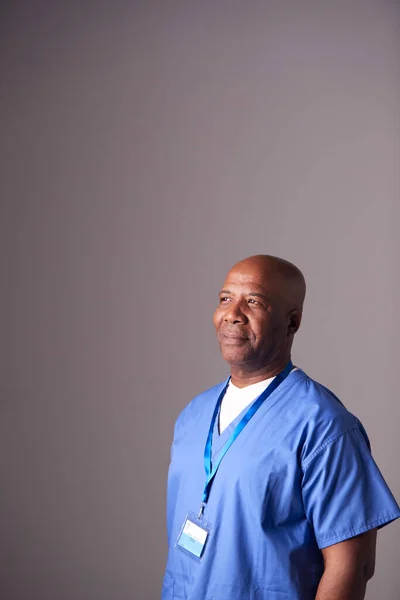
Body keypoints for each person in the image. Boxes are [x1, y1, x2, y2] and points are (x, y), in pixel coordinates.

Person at [162, 255, 400, 600]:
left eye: (254, 301)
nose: (232, 313)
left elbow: (352, 566)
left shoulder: (324, 427)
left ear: (293, 322)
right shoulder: (193, 415)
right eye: (225, 299)